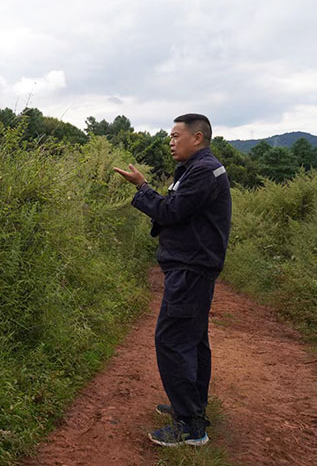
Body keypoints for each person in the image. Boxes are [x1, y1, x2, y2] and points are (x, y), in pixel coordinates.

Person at [113, 113, 231, 447]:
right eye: (170, 137)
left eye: (176, 136)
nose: (171, 142)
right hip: (193, 265)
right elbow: (174, 207)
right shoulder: (198, 169)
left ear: (198, 137)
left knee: (173, 340)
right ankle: (191, 408)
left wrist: (141, 187)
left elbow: (169, 212)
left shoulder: (204, 171)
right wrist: (147, 188)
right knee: (193, 341)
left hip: (191, 267)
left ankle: (191, 428)